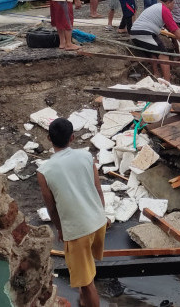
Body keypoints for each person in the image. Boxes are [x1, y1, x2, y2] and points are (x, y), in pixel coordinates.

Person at [37, 118, 108, 307]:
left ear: (48, 138)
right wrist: (102, 215)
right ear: (72, 137)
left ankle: (88, 299)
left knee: (87, 284)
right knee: (87, 267)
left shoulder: (44, 170)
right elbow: (98, 189)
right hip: (98, 221)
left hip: (78, 231)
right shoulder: (86, 156)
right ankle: (84, 300)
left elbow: (51, 207)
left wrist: (61, 229)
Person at [129, 0, 180, 81]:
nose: (173, 7)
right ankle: (167, 81)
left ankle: (156, 74)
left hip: (136, 33)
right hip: (144, 33)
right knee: (164, 55)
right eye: (173, 4)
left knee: (154, 53)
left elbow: (169, 27)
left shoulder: (156, 7)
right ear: (168, 3)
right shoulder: (164, 9)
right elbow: (174, 29)